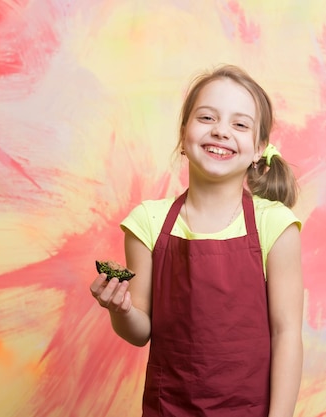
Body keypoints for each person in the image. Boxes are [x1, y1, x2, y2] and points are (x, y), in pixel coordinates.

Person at [90, 64, 304, 417]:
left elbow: (287, 335)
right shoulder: (148, 222)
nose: (221, 131)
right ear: (184, 133)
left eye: (239, 124)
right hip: (167, 408)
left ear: (258, 149)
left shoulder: (276, 225)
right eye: (207, 118)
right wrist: (121, 309)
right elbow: (140, 332)